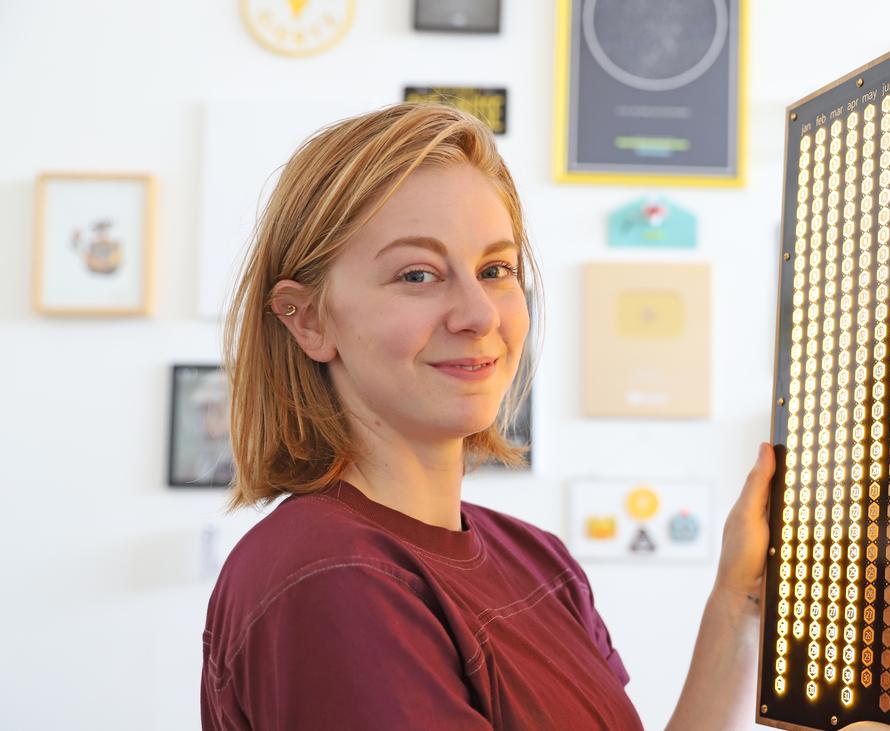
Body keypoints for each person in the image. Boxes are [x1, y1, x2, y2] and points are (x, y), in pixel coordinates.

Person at [200, 103, 776, 730]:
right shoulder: (332, 577)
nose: (479, 314)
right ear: (309, 319)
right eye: (417, 275)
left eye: (495, 270)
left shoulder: (536, 559)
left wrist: (738, 601)